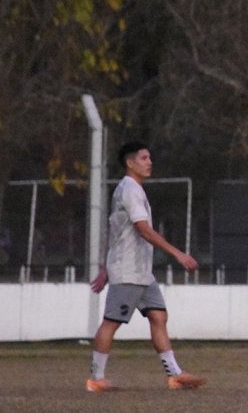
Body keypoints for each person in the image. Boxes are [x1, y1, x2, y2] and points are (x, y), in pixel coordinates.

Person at [87, 141, 206, 392]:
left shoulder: (135, 191)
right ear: (130, 163)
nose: (149, 162)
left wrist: (106, 267)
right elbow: (143, 230)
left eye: (149, 157)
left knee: (158, 316)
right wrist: (178, 254)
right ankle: (96, 378)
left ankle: (175, 375)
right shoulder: (129, 190)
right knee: (111, 322)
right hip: (129, 271)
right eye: (143, 158)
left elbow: (115, 232)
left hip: (141, 271)